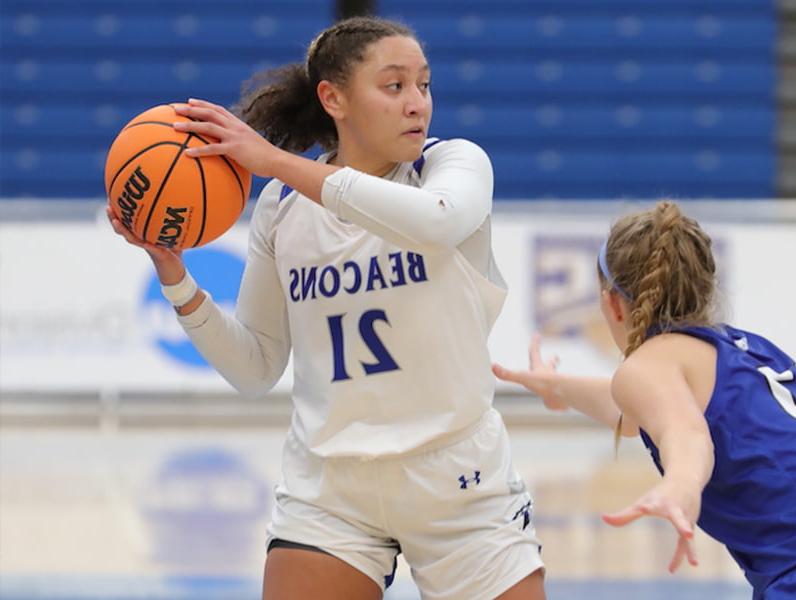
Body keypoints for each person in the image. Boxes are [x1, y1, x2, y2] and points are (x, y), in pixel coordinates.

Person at [107, 16, 545, 600]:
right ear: (333, 98)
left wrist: (276, 162)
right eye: (394, 86)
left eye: (424, 84)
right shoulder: (282, 210)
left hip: (459, 480)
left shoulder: (453, 166)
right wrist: (175, 276)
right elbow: (256, 367)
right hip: (330, 489)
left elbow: (437, 224)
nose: (417, 104)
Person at [494, 201, 796, 599]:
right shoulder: (742, 349)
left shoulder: (648, 366)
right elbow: (637, 411)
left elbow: (685, 433)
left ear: (612, 303)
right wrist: (558, 386)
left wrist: (681, 485)